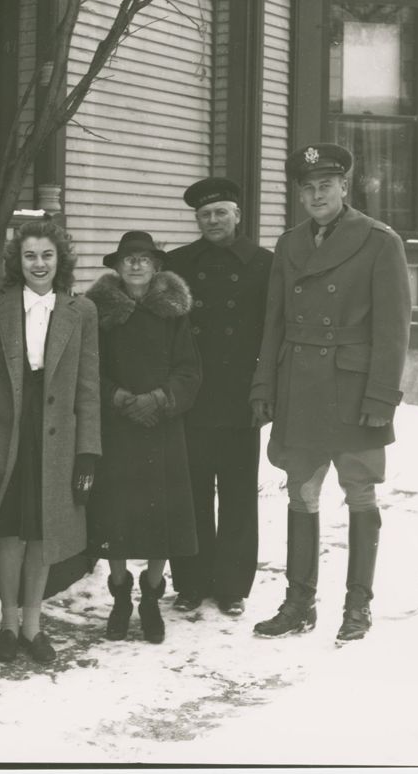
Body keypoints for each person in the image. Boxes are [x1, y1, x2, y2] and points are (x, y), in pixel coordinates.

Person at [249, 143, 411, 643]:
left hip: (353, 387)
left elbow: (393, 328)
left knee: (359, 493)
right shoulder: (289, 244)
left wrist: (382, 396)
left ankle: (358, 606)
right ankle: (299, 603)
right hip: (300, 385)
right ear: (299, 194)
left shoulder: (380, 241)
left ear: (345, 187)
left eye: (326, 186)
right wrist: (264, 385)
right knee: (301, 492)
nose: (317, 195)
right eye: (308, 188)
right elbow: (273, 322)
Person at [0, 219, 101, 665]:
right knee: (10, 531)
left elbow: (88, 387)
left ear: (59, 259)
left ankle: (32, 624)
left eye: (47, 255)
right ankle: (8, 624)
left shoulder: (79, 311)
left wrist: (87, 451)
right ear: (18, 261)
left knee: (43, 532)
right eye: (30, 256)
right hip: (6, 435)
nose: (39, 264)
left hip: (56, 440)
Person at [85, 231, 201, 643]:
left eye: (144, 259)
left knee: (159, 518)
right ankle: (120, 597)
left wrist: (159, 400)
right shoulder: (97, 312)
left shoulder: (173, 312)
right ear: (117, 267)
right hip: (116, 429)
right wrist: (116, 398)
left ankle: (151, 598)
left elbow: (189, 370)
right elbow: (88, 369)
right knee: (116, 514)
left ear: (156, 267)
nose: (136, 265)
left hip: (161, 427)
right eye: (128, 259)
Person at [164, 178, 273, 617]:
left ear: (237, 216)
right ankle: (190, 582)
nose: (212, 221)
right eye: (205, 215)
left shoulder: (264, 264)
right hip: (191, 398)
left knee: (238, 496)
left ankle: (232, 586)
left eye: (220, 213)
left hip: (239, 399)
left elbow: (273, 332)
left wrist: (266, 391)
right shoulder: (178, 264)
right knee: (189, 494)